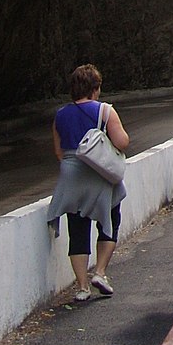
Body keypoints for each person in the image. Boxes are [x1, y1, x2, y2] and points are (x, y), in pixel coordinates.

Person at [46, 63, 130, 301]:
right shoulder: (105, 111)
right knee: (110, 222)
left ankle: (82, 287)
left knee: (78, 230)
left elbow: (59, 151)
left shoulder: (60, 114)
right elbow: (122, 142)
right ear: (95, 88)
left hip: (71, 176)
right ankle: (100, 272)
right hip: (99, 175)